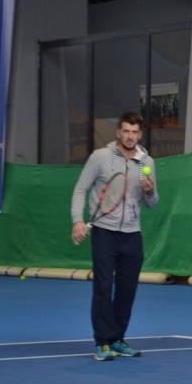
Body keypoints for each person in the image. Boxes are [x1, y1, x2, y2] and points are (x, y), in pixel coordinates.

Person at [71, 112, 159, 361]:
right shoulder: (100, 157)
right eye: (126, 131)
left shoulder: (146, 162)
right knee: (102, 288)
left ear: (140, 134)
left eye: (135, 132)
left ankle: (117, 339)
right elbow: (81, 189)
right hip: (104, 232)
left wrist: (150, 192)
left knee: (126, 291)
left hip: (132, 234)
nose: (130, 136)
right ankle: (102, 343)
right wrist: (78, 220)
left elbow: (152, 203)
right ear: (118, 132)